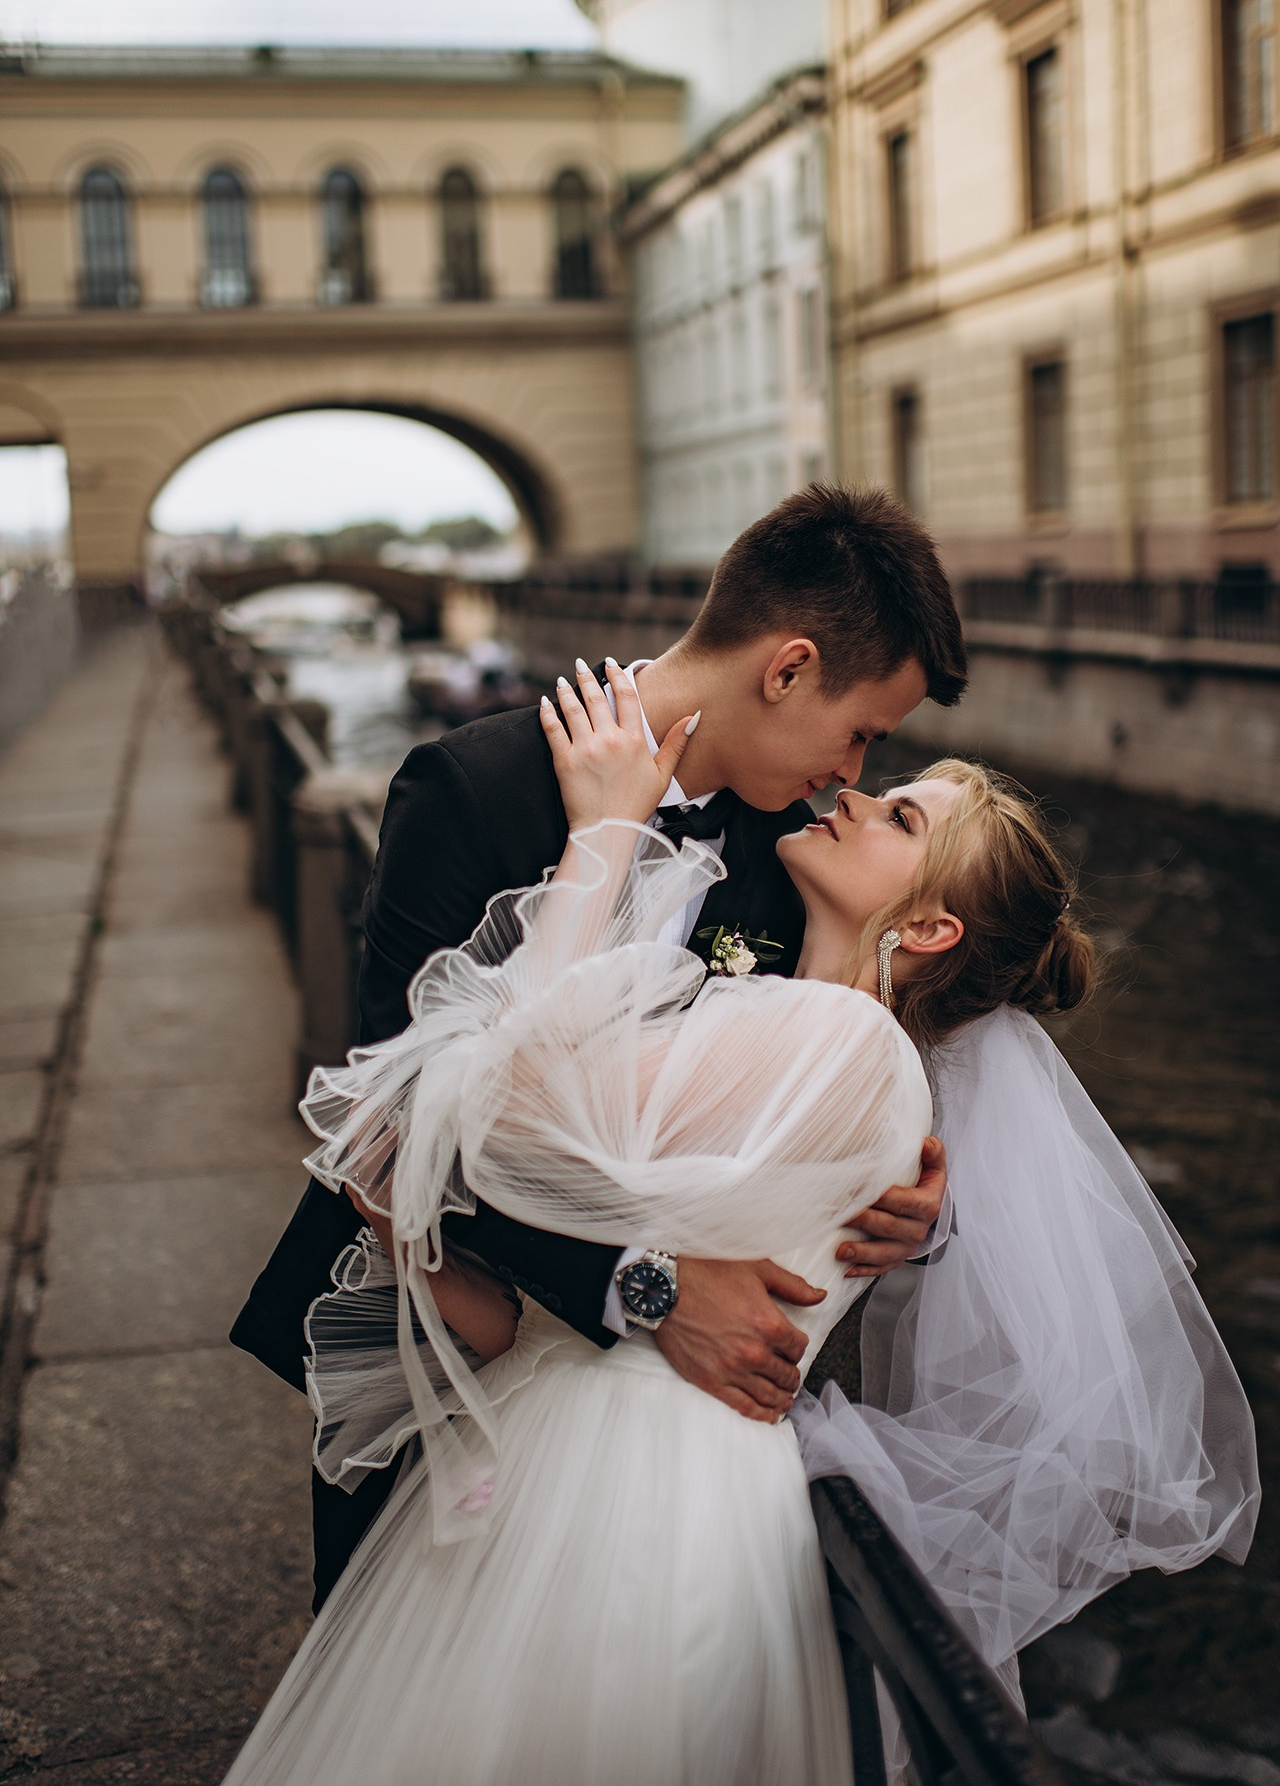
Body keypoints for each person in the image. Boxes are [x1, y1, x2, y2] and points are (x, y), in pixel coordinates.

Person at [222, 667, 1257, 1786]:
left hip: (635, 1486)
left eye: (899, 812)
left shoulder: (842, 1041)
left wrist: (604, 838)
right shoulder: (807, 1001)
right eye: (869, 753)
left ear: (931, 926)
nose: (853, 792)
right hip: (585, 1428)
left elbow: (488, 1110)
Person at [231, 483, 969, 1607]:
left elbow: (758, 1096)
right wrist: (649, 1284)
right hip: (441, 1356)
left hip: (639, 1439)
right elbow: (391, 1132)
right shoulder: (473, 785)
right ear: (785, 669)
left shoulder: (799, 848)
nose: (851, 774)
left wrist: (890, 1191)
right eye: (859, 728)